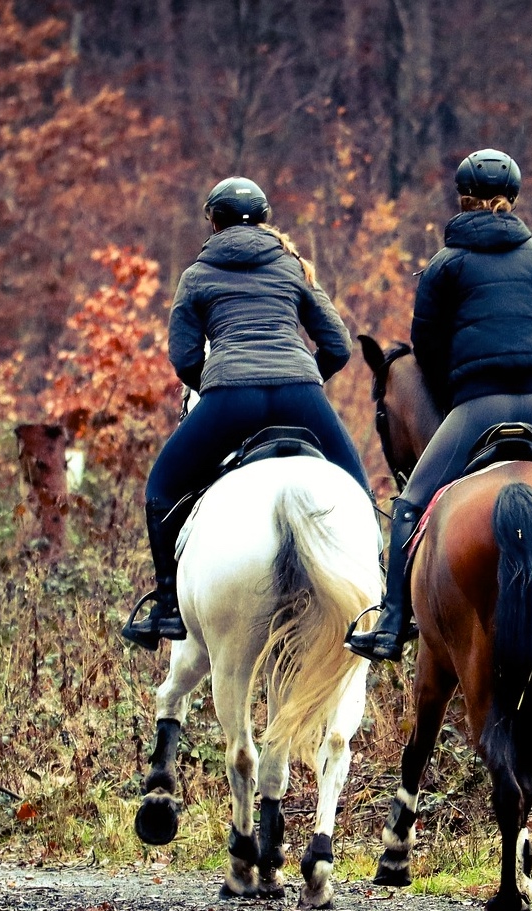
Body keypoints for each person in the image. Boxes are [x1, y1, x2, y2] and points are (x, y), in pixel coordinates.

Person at [345, 149, 532, 663]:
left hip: (476, 405)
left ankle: (391, 622)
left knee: (410, 505)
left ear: (462, 198)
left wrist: (463, 374)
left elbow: (427, 353)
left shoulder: (444, 265)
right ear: (515, 197)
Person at [121, 177, 370, 651]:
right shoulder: (292, 266)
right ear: (266, 219)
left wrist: (214, 389)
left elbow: (184, 357)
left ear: (212, 221)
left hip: (230, 396)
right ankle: (376, 600)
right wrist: (305, 379)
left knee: (162, 486)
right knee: (358, 490)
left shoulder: (196, 274)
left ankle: (168, 606)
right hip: (300, 394)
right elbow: (337, 344)